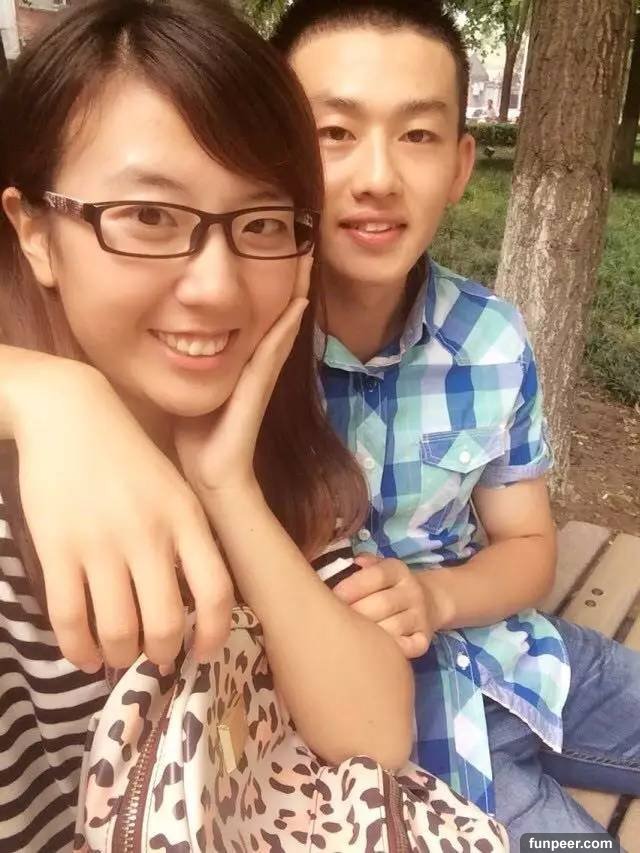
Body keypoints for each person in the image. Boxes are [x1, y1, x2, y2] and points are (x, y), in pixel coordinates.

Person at [2, 0, 639, 847]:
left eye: (417, 134)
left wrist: (433, 593)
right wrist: (45, 394)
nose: (376, 175)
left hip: (503, 657)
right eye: (334, 132)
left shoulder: (284, 408)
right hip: (413, 745)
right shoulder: (246, 363)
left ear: (461, 163)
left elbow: (522, 545)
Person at [0, 1, 415, 849]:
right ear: (34, 231)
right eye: (150, 216)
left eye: (261, 223)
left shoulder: (258, 438)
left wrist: (226, 487)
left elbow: (377, 732)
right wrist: (46, 396)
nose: (218, 287)